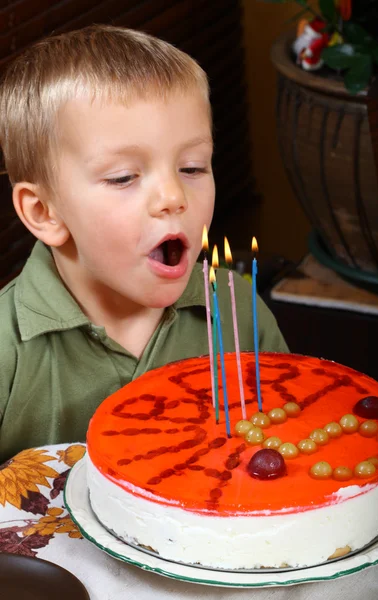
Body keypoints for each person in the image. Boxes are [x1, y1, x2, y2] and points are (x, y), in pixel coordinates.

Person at [0, 25, 288, 463]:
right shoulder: (6, 348)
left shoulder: (237, 312)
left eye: (192, 168)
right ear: (44, 212)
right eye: (124, 177)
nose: (173, 197)